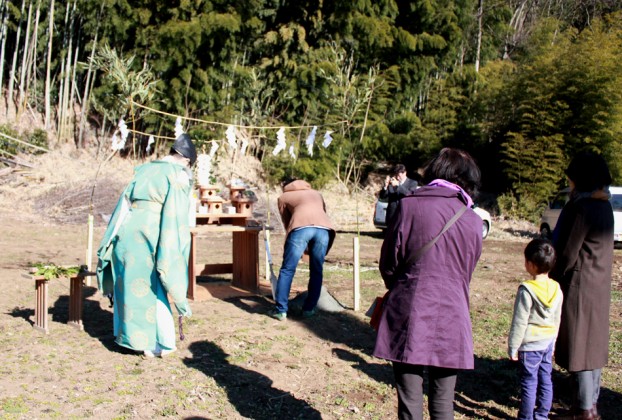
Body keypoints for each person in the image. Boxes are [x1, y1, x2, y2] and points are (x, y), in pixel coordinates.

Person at [374, 148, 483, 419]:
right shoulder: (472, 220)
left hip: (409, 309)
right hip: (453, 313)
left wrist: (402, 286)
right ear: (465, 180)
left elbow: (388, 262)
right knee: (444, 402)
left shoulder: (408, 206)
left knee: (410, 402)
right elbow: (466, 272)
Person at [96, 133, 197, 357]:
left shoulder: (145, 169)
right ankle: (162, 343)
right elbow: (176, 215)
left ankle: (133, 339)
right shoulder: (177, 174)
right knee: (155, 285)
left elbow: (123, 203)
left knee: (129, 286)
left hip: (126, 230)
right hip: (151, 231)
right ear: (187, 161)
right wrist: (174, 246)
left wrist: (111, 238)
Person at [549, 152, 613, 420]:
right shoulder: (604, 204)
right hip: (598, 284)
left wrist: (550, 273)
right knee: (592, 344)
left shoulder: (582, 208)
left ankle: (584, 411)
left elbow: (567, 253)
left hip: (580, 285)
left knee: (580, 346)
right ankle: (588, 406)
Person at [508, 238, 563, 420]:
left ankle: (526, 418)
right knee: (546, 379)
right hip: (547, 342)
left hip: (530, 345)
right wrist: (553, 341)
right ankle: (542, 416)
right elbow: (557, 319)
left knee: (529, 383)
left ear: (530, 265)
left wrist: (513, 346)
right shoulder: (556, 288)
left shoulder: (527, 290)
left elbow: (520, 321)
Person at [270, 177, 336, 321]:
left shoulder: (284, 197)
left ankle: (281, 310)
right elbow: (322, 212)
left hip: (300, 228)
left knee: (288, 269)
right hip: (324, 229)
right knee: (317, 269)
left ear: (285, 186)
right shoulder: (316, 194)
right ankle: (309, 309)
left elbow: (288, 222)